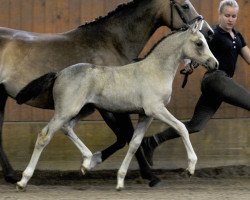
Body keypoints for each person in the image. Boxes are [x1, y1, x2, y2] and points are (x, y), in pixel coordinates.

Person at [141, 0, 250, 166]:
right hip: (215, 79)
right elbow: (189, 45)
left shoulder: (238, 36)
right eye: (227, 15)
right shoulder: (211, 33)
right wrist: (189, 64)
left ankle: (151, 142)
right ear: (220, 15)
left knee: (195, 125)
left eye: (233, 16)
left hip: (221, 85)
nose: (230, 19)